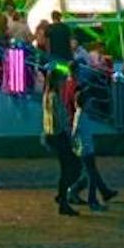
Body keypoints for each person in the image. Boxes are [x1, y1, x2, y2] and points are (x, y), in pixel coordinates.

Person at [71, 88, 118, 210]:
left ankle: (76, 191)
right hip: (86, 150)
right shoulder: (81, 115)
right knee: (91, 176)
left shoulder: (81, 114)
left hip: (85, 149)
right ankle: (93, 200)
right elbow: (75, 132)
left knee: (90, 174)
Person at [42, 70, 81, 216]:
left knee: (68, 167)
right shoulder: (54, 97)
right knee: (71, 167)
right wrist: (69, 132)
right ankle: (63, 197)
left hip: (52, 135)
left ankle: (62, 196)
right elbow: (60, 119)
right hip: (58, 135)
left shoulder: (47, 95)